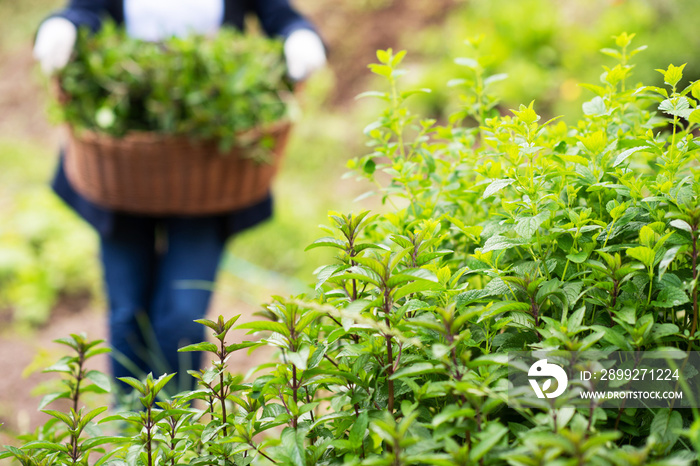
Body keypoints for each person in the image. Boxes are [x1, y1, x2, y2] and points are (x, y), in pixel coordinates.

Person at [33, 0, 326, 392]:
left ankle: (177, 438)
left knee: (182, 319)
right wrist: (63, 27)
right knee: (127, 315)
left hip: (207, 170)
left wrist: (300, 37)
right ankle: (131, 433)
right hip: (123, 174)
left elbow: (281, 16)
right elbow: (86, 10)